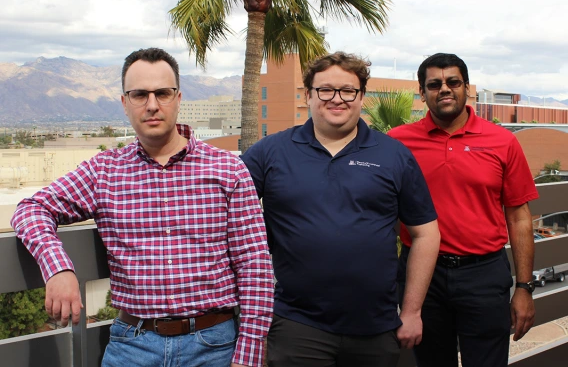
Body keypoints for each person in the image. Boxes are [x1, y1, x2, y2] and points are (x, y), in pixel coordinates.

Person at [11, 47, 274, 367]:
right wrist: (58, 268)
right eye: (139, 94)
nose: (152, 104)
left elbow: (255, 267)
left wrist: (248, 354)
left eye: (163, 93)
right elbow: (31, 208)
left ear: (178, 98)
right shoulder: (104, 170)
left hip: (214, 346)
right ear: (125, 103)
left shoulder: (227, 169)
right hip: (132, 347)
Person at [241, 51, 440, 367]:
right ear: (308, 95)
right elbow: (224, 208)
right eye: (325, 90)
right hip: (297, 324)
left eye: (348, 90)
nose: (337, 99)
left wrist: (412, 311)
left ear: (361, 96)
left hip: (377, 325)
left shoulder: (393, 155)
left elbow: (426, 233)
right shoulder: (270, 152)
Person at [388, 53, 538, 367]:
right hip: (421, 277)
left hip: (483, 275)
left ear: (466, 88)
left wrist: (524, 287)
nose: (444, 89)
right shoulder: (397, 143)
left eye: (453, 82)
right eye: (434, 84)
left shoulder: (502, 141)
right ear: (422, 92)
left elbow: (519, 216)